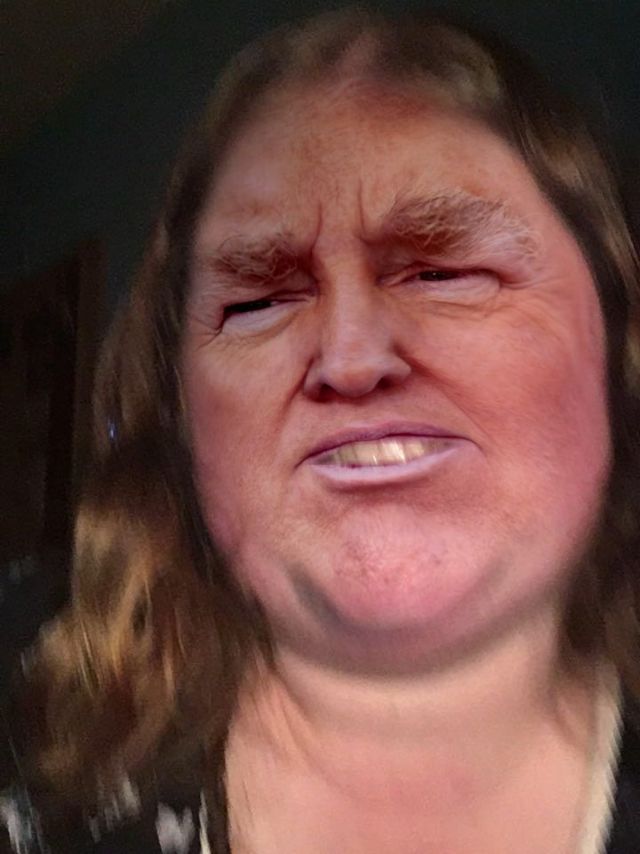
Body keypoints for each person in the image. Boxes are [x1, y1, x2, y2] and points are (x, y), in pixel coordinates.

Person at [2, 6, 640, 853]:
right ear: (183, 409)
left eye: (445, 271)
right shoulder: (45, 771)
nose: (350, 356)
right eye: (260, 300)